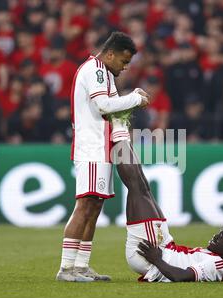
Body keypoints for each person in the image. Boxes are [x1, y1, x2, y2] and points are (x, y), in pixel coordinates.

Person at [56, 32, 149, 282]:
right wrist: (135, 98)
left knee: (95, 205)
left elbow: (113, 110)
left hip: (102, 147)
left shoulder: (105, 73)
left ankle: (81, 266)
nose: (125, 66)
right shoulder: (95, 70)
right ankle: (66, 269)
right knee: (85, 205)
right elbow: (103, 106)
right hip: (92, 147)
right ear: (109, 54)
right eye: (123, 60)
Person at [110, 118, 223, 282]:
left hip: (150, 255)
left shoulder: (218, 265)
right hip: (165, 247)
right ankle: (120, 130)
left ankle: (115, 127)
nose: (214, 237)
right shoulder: (216, 257)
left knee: (136, 187)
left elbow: (181, 276)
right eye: (218, 233)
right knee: (143, 187)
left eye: (220, 238)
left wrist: (156, 259)